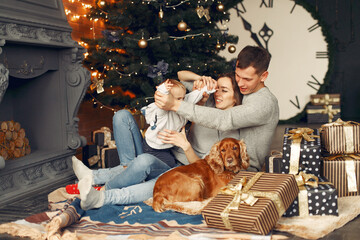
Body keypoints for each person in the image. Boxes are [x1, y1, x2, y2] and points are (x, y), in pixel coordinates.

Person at [72, 72, 242, 210]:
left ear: (236, 98)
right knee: (122, 116)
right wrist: (201, 79)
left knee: (145, 165)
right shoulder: (204, 104)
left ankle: (101, 196)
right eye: (217, 89)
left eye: (224, 90)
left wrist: (185, 146)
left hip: (175, 168)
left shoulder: (227, 133)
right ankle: (104, 174)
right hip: (154, 150)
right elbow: (180, 76)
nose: (217, 93)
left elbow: (205, 170)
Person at [155, 45, 279, 171]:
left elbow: (225, 119)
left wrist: (175, 105)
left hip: (240, 172)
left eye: (247, 79)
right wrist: (201, 79)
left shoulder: (264, 103)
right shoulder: (242, 90)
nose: (240, 83)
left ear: (263, 76)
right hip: (205, 164)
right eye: (237, 75)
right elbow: (181, 77)